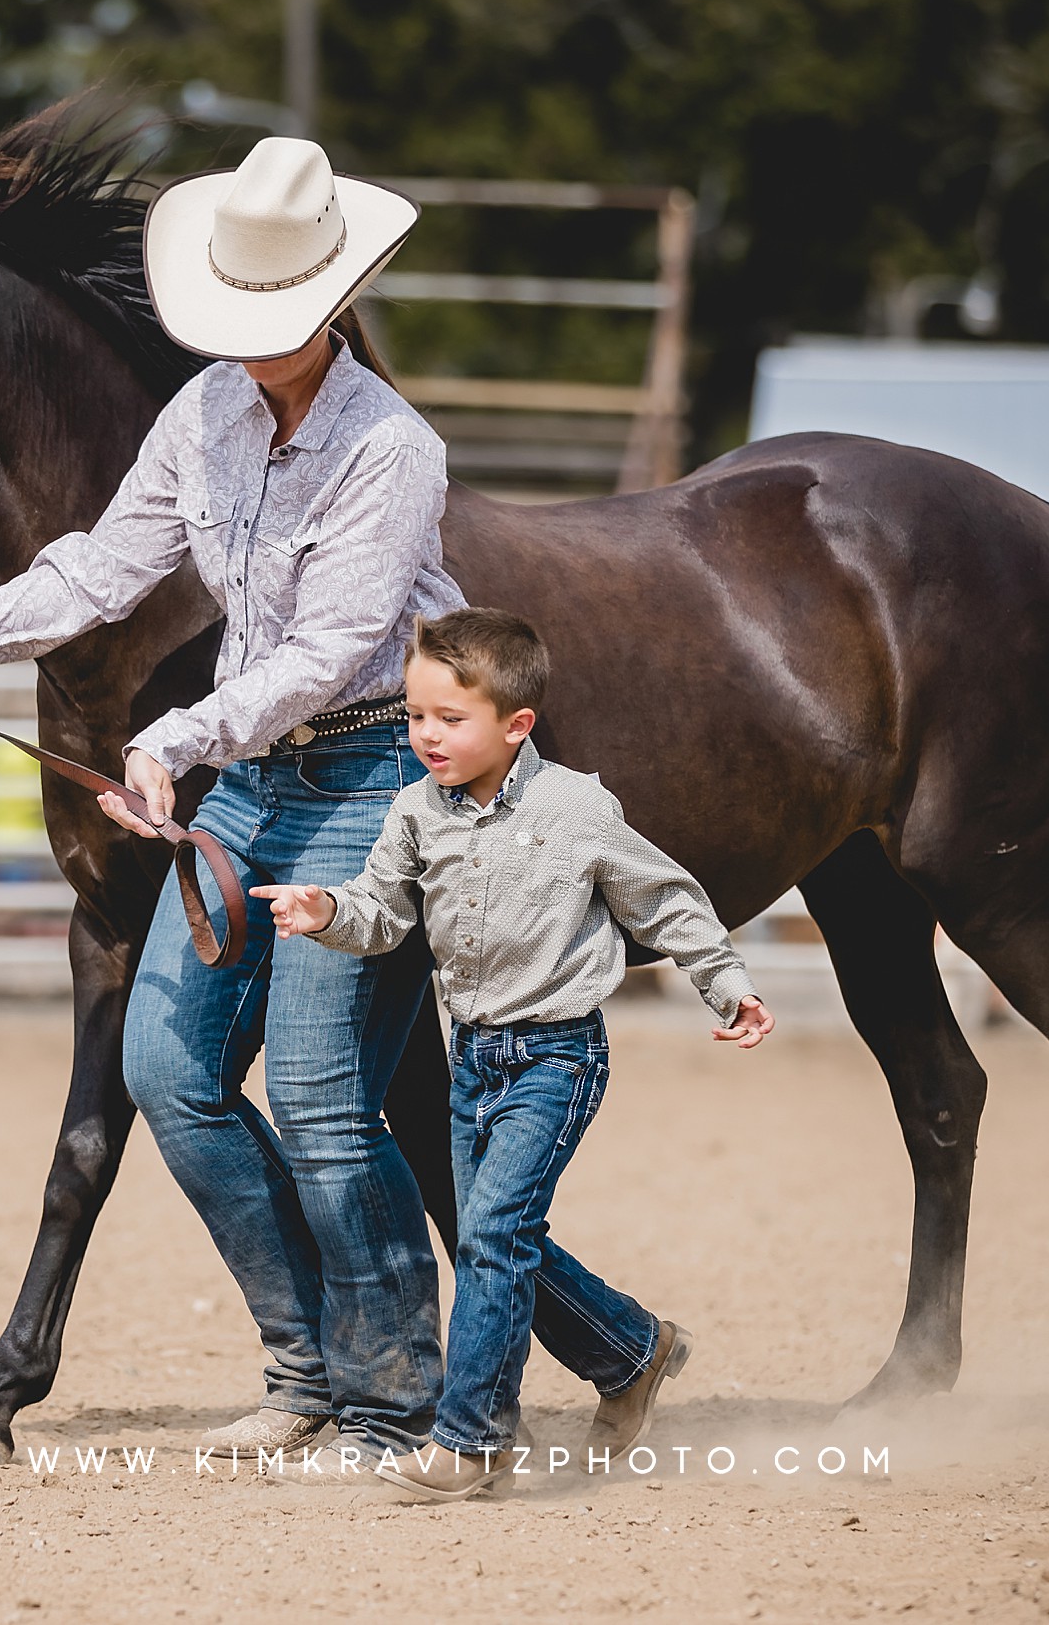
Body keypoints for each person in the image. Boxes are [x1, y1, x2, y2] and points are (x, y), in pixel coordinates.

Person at [0, 136, 461, 1464]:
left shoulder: (392, 448)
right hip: (260, 775)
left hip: (370, 767)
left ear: (329, 308)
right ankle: (308, 1366)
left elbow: (333, 649)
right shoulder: (208, 415)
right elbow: (92, 573)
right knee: (171, 1070)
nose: (245, 346)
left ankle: (395, 1404)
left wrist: (175, 733)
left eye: (270, 324)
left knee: (323, 1091)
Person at [255, 608, 776, 1501]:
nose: (426, 736)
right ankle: (631, 1349)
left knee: (493, 1235)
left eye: (449, 720)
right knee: (492, 1235)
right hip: (475, 1062)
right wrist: (326, 913)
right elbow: (382, 913)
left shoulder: (578, 807)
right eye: (416, 716)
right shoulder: (416, 812)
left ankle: (472, 1443)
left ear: (515, 725)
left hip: (557, 1060)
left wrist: (727, 985)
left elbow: (667, 902)